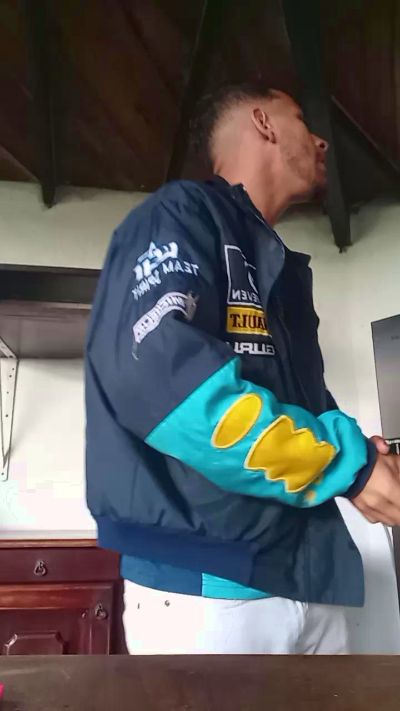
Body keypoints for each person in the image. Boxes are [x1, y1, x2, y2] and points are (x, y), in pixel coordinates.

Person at [85, 83, 400, 655]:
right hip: (208, 592)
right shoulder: (178, 214)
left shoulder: (277, 269)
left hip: (305, 578)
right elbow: (164, 383)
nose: (322, 141)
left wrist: (358, 450)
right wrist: (346, 464)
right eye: (300, 118)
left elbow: (302, 409)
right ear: (264, 122)